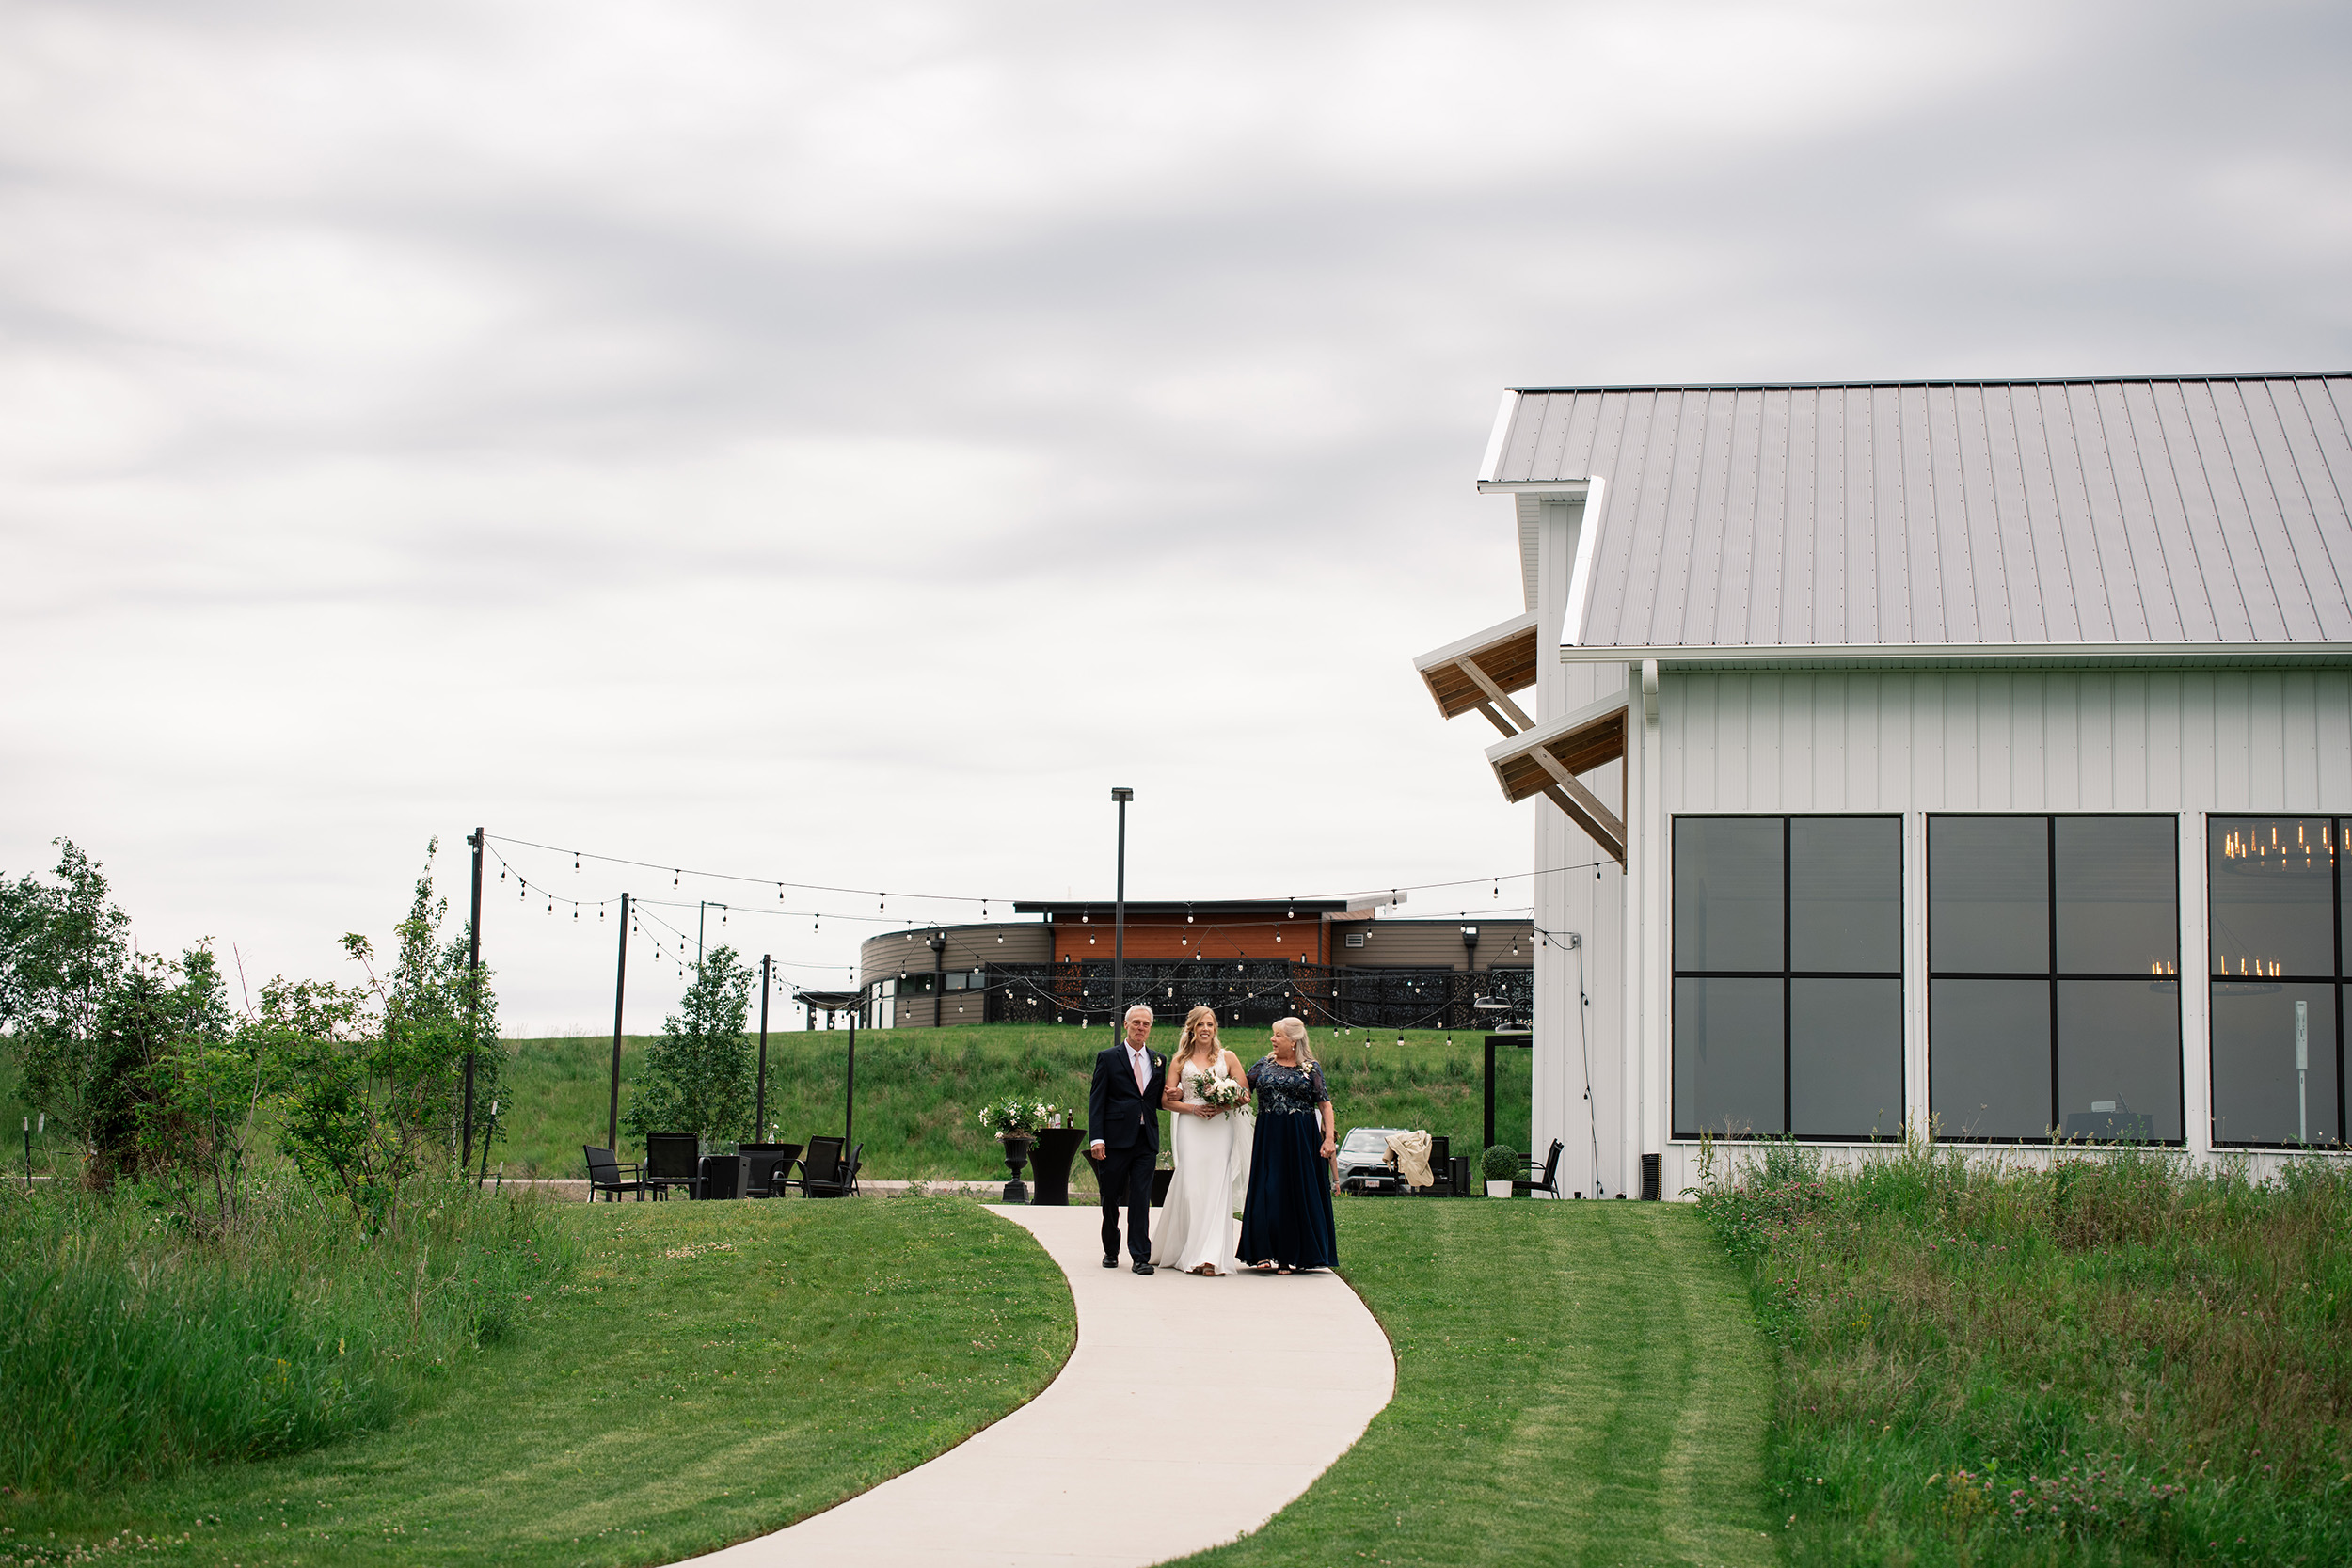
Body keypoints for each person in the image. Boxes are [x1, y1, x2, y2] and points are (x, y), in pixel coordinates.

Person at [1152, 1005, 1252, 1276]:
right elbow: (1165, 1100)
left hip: (1220, 1127)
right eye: (1201, 1025)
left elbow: (1245, 1095)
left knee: (1217, 1186)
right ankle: (1188, 1249)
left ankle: (1209, 1257)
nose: (1206, 1029)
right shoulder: (1179, 1061)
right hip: (1191, 1125)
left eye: (1210, 1024)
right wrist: (1193, 1108)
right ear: (1192, 1029)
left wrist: (1224, 1101)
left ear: (1214, 1029)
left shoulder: (1227, 1057)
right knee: (1192, 1187)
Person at [1236, 1016, 1338, 1274]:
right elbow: (1242, 1091)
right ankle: (1261, 1250)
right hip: (1269, 1135)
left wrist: (1328, 1139)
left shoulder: (1310, 1069)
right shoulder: (1263, 1065)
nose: (1272, 1039)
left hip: (1300, 1137)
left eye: (1278, 1035)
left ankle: (1288, 1256)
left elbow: (1324, 1104)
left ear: (1292, 1042)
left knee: (1295, 1191)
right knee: (1268, 1188)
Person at [1087, 1004, 1166, 1275]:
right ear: (1126, 1025)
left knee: (1142, 1198)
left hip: (1146, 1140)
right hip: (1115, 1140)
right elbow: (1097, 1101)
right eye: (1136, 1023)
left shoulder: (1158, 1060)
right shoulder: (1108, 1058)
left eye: (1145, 1024)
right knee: (1111, 1196)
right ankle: (1111, 1248)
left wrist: (1174, 1098)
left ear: (1150, 1028)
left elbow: (1155, 1100)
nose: (1141, 1028)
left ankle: (1140, 1257)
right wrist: (1097, 1138)